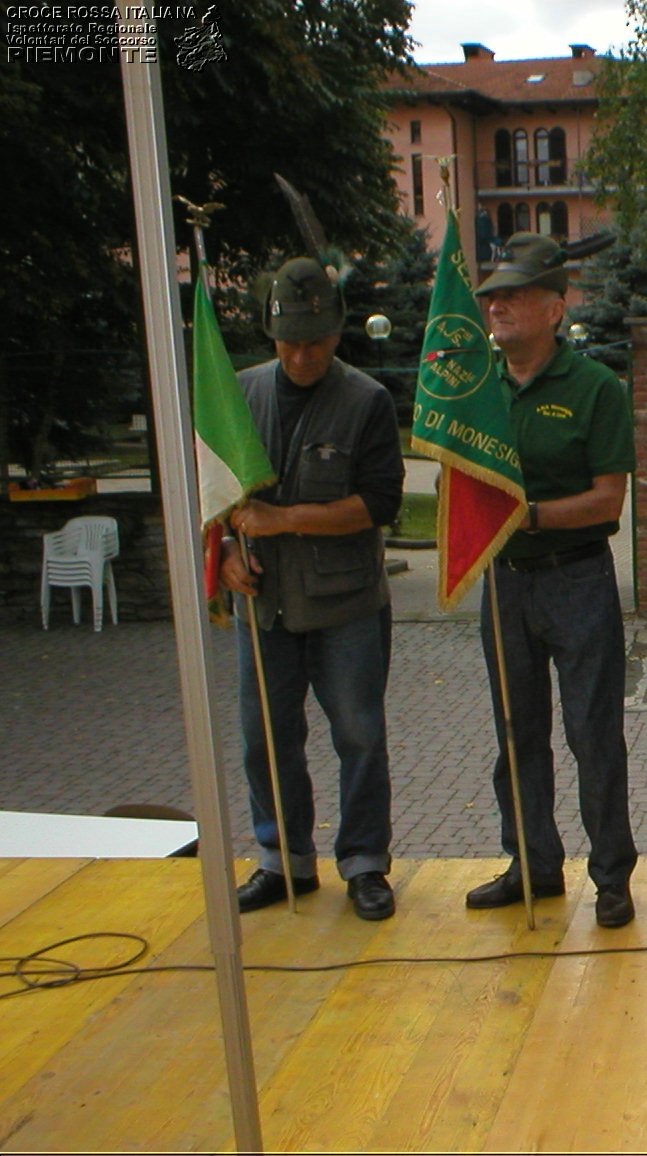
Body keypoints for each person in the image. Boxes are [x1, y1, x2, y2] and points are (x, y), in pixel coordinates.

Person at [463, 232, 639, 929]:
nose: (498, 305)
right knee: (516, 730)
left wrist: (527, 516)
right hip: (504, 583)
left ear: (555, 307)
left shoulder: (595, 388)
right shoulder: (473, 391)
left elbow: (607, 500)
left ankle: (611, 877)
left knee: (592, 733)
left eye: (514, 294)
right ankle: (532, 863)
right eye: (492, 296)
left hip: (577, 581)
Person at [224, 257, 404, 922]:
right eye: (290, 341)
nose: (302, 355)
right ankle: (283, 862)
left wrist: (283, 520)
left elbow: (380, 504)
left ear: (336, 335)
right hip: (263, 602)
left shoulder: (367, 401)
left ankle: (364, 864)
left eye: (316, 341)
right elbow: (216, 493)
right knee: (264, 737)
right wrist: (221, 555)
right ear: (272, 336)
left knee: (358, 735)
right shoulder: (240, 394)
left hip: (346, 603)